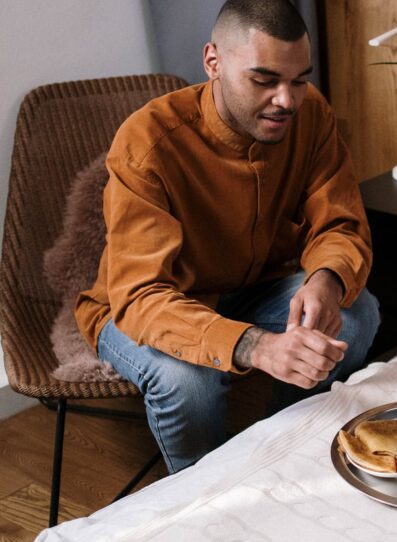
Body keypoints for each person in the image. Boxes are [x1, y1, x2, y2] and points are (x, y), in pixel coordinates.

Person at [76, 0, 379, 474]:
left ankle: (278, 452)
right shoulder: (147, 142)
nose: (287, 100)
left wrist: (325, 278)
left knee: (355, 313)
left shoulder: (311, 115)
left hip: (256, 285)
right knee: (187, 380)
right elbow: (141, 296)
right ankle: (204, 498)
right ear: (212, 62)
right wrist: (257, 346)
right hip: (144, 307)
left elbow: (339, 223)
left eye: (299, 80)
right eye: (264, 80)